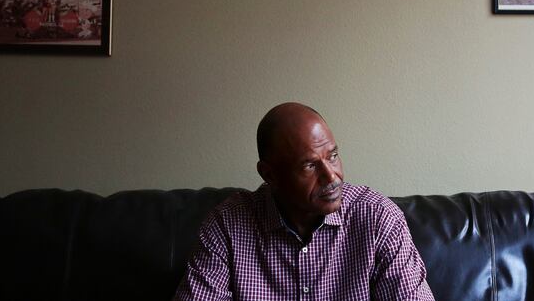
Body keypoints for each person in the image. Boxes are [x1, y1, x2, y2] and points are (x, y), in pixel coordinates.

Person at [173, 102, 435, 300]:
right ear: (269, 174)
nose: (332, 176)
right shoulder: (226, 227)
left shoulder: (378, 219)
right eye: (310, 166)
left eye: (332, 156)